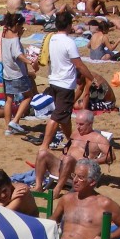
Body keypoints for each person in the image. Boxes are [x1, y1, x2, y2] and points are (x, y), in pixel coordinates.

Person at [35, 110, 113, 198]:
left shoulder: (98, 138)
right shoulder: (75, 133)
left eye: (81, 124)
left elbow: (111, 156)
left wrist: (92, 161)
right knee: (42, 153)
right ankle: (38, 186)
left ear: (90, 124)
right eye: (77, 124)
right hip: (62, 167)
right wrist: (63, 155)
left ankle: (57, 189)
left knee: (69, 159)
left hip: (78, 173)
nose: (78, 127)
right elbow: (66, 149)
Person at [40, 11, 88, 152]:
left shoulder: (52, 39)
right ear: (68, 24)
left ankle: (70, 142)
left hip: (54, 81)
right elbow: (78, 64)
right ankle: (44, 145)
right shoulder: (68, 42)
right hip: (64, 84)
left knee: (64, 116)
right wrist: (90, 77)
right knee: (57, 116)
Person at [0, 12, 37, 134]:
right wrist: (30, 62)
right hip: (17, 73)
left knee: (9, 100)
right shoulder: (14, 38)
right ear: (16, 25)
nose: (21, 29)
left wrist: (19, 34)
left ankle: (8, 128)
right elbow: (17, 54)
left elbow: (11, 49)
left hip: (7, 72)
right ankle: (15, 121)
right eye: (20, 26)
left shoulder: (4, 34)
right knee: (28, 96)